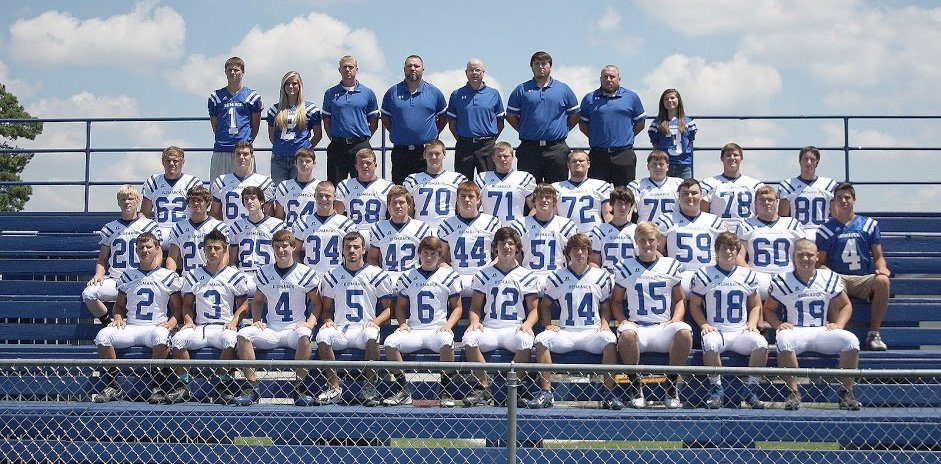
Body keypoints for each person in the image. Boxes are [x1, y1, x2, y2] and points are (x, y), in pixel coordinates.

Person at [763, 239, 862, 411]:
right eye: (800, 255)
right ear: (793, 257)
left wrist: (839, 324)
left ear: (817, 257)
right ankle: (793, 392)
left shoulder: (827, 277)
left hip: (822, 330)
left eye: (809, 255)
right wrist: (778, 324)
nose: (805, 258)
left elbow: (846, 305)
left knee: (851, 340)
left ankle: (846, 392)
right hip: (797, 331)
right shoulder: (782, 280)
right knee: (783, 339)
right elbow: (768, 309)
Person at [528, 234, 622, 410]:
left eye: (584, 249)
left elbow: (606, 307)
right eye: (575, 249)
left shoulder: (600, 276)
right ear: (568, 253)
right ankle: (546, 392)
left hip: (591, 331)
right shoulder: (558, 276)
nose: (579, 253)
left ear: (589, 253)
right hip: (567, 331)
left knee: (610, 340)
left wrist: (604, 324)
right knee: (541, 340)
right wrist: (548, 323)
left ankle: (609, 393)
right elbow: (545, 305)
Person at [233, 229, 321, 406]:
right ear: (273, 249)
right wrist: (257, 320)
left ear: (294, 247)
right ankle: (253, 387)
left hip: (294, 329)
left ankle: (299, 387)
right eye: (277, 247)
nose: (281, 250)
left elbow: (317, 303)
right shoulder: (265, 273)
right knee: (243, 335)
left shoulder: (305, 273)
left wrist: (310, 322)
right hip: (272, 329)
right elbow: (257, 301)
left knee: (305, 336)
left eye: (285, 246)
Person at [93, 232, 181, 403]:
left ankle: (158, 385)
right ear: (136, 250)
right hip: (131, 326)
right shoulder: (127, 275)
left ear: (157, 249)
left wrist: (170, 323)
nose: (145, 250)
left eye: (149, 247)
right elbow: (119, 306)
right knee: (102, 336)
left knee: (161, 336)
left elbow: (177, 309)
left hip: (154, 326)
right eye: (141, 247)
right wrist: (117, 317)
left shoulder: (168, 276)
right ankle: (113, 385)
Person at [610, 222, 691, 408]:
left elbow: (679, 300)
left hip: (663, 327)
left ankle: (671, 383)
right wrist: (623, 320)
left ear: (659, 241)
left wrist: (675, 320)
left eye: (651, 240)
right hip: (638, 327)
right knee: (627, 333)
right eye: (643, 240)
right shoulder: (626, 266)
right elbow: (615, 301)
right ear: (636, 242)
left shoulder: (670, 265)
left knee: (685, 331)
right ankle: (635, 384)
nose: (647, 244)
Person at [167, 229, 251, 404]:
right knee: (178, 340)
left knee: (230, 340)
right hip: (200, 326)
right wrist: (188, 321)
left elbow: (244, 305)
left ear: (225, 250)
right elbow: (187, 304)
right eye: (209, 248)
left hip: (223, 325)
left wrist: (234, 321)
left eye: (217, 248)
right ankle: (184, 385)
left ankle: (223, 384)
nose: (212, 252)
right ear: (203, 250)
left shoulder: (234, 275)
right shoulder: (194, 275)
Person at [688, 232, 768, 409]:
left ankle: (752, 389)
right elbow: (694, 305)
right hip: (717, 330)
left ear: (738, 251)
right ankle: (716, 388)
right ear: (717, 250)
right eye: (724, 247)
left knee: (761, 344)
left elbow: (755, 305)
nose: (728, 251)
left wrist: (752, 324)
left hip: (740, 331)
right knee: (709, 343)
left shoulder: (746, 275)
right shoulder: (704, 274)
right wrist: (704, 324)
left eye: (732, 248)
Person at [381, 236, 463, 407]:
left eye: (433, 254)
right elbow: (401, 307)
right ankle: (403, 389)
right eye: (425, 253)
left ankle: (445, 390)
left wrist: (448, 326)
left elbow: (458, 307)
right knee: (390, 343)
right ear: (419, 254)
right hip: (415, 329)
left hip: (437, 330)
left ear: (439, 255)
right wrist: (403, 324)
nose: (429, 257)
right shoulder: (408, 276)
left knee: (447, 342)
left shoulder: (449, 276)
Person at [317, 232, 396, 405]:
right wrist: (328, 320)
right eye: (348, 247)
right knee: (322, 337)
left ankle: (369, 386)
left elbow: (389, 309)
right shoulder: (332, 275)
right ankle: (334, 387)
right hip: (341, 329)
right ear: (342, 251)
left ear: (364, 250)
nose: (352, 250)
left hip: (363, 327)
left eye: (356, 247)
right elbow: (326, 310)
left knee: (372, 334)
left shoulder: (376, 274)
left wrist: (375, 322)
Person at [463, 227, 539, 406]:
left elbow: (534, 310)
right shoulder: (484, 274)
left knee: (526, 341)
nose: (506, 247)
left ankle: (515, 389)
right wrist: (475, 321)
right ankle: (484, 389)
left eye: (511, 243)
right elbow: (475, 307)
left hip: (514, 328)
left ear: (517, 248)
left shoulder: (526, 275)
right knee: (469, 339)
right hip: (490, 328)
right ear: (495, 247)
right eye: (502, 243)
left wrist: (528, 324)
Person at [816, 182, 891, 351]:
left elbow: (879, 256)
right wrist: (829, 274)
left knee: (883, 282)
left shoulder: (868, 224)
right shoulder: (826, 230)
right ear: (834, 202)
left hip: (862, 278)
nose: (843, 201)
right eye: (839, 198)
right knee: (830, 284)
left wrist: (882, 268)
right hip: (839, 277)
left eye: (847, 197)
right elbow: (820, 262)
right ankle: (838, 337)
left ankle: (874, 333)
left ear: (854, 199)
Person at [83, 185, 160, 326]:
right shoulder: (110, 228)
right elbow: (102, 259)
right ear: (118, 202)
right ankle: (107, 322)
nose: (127, 202)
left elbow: (157, 254)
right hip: (116, 279)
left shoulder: (149, 225)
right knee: (88, 293)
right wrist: (98, 275)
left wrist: (153, 273)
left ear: (137, 201)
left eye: (131, 198)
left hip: (140, 278)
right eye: (123, 199)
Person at [505, 51, 579, 184]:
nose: (540, 66)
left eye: (544, 63)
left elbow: (575, 115)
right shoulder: (521, 90)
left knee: (558, 191)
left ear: (550, 66)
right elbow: (510, 116)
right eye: (536, 64)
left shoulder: (563, 89)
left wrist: (563, 129)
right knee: (528, 191)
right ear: (531, 67)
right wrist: (524, 129)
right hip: (529, 149)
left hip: (557, 149)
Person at [381, 55, 447, 184]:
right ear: (404, 69)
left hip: (425, 152)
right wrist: (398, 131)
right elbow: (385, 117)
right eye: (409, 66)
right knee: (400, 192)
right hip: (400, 152)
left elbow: (443, 117)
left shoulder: (434, 92)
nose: (413, 69)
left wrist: (432, 134)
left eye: (416, 66)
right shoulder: (392, 92)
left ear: (423, 69)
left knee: (425, 190)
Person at [578, 65, 646, 186]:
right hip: (598, 155)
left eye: (612, 76)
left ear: (619, 78)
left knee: (625, 196)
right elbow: (583, 125)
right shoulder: (589, 99)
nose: (609, 79)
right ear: (600, 79)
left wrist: (625, 136)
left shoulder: (632, 97)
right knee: (597, 194)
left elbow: (640, 123)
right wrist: (597, 137)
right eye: (605, 77)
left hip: (624, 154)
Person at [655, 178, 725, 293]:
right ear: (679, 196)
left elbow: (724, 250)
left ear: (701, 196)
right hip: (678, 276)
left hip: (709, 276)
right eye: (685, 193)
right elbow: (657, 250)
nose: (690, 196)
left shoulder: (714, 221)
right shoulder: (667, 219)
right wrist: (668, 269)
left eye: (694, 193)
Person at [737, 184, 807, 299]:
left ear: (777, 202)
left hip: (788, 274)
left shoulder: (792, 223)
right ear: (755, 203)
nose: (766, 203)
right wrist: (750, 275)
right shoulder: (746, 224)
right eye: (762, 200)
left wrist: (798, 275)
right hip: (758, 274)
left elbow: (803, 252)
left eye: (770, 200)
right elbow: (739, 257)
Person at [322, 55, 380, 187]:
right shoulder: (330, 93)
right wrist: (334, 137)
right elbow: (326, 120)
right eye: (344, 67)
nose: (348, 69)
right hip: (338, 146)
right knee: (335, 187)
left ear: (356, 69)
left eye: (351, 67)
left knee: (363, 185)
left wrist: (363, 138)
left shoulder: (368, 93)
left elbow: (374, 122)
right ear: (339, 70)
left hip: (360, 146)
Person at [437, 181, 501, 295]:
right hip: (457, 278)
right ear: (456, 199)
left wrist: (491, 268)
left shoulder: (492, 223)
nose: (467, 200)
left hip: (485, 278)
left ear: (478, 200)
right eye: (463, 196)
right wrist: (445, 266)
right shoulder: (447, 225)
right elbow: (441, 256)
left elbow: (500, 255)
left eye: (471, 196)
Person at [509, 184, 578, 289]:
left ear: (554, 202)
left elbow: (571, 257)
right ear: (534, 202)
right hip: (528, 279)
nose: (544, 200)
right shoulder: (521, 225)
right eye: (540, 197)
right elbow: (516, 257)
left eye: (548, 197)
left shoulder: (566, 225)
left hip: (558, 278)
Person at [447, 58, 504, 179]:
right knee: (462, 183)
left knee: (488, 182)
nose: (474, 73)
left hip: (487, 146)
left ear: (483, 72)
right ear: (466, 73)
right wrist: (461, 139)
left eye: (477, 70)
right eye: (471, 70)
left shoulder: (494, 94)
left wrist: (491, 140)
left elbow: (501, 122)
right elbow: (451, 123)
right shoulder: (456, 94)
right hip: (464, 146)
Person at [208, 56, 263, 182]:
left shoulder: (252, 96)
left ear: (242, 72)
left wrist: (246, 141)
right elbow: (215, 125)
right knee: (219, 188)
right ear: (225, 72)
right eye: (230, 70)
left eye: (236, 70)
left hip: (243, 149)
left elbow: (255, 124)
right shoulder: (216, 97)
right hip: (222, 148)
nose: (233, 72)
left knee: (248, 189)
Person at [266, 71, 322, 185]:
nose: (290, 86)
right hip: (279, 158)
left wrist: (307, 149)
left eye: (294, 83)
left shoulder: (310, 109)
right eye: (287, 84)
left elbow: (318, 135)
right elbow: (272, 136)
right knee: (280, 193)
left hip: (300, 159)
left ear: (300, 86)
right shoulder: (274, 109)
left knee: (298, 193)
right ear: (283, 87)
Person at [367, 186, 433, 283]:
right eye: (394, 203)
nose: (398, 206)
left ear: (409, 205)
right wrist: (378, 274)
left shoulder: (421, 228)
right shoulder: (379, 228)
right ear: (388, 206)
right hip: (387, 276)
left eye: (401, 202)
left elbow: (429, 256)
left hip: (413, 277)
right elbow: (372, 258)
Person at [140, 146, 202, 245]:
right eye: (168, 161)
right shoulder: (153, 182)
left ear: (182, 162)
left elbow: (199, 212)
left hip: (185, 231)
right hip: (158, 231)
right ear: (163, 162)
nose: (171, 164)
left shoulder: (191, 182)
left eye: (175, 161)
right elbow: (144, 213)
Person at [227, 186, 287, 288]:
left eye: (253, 198)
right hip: (244, 273)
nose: (249, 201)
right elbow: (232, 260)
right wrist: (234, 270)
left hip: (269, 272)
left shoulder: (277, 225)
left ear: (262, 201)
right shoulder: (237, 226)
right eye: (246, 199)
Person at [292, 181, 356, 276]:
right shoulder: (302, 223)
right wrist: (302, 273)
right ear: (314, 196)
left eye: (328, 196)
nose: (323, 199)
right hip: (310, 276)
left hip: (336, 276)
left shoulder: (346, 224)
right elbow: (294, 252)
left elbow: (353, 254)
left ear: (335, 196)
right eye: (320, 195)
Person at [402, 140, 467, 230]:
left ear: (444, 154)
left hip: (449, 230)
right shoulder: (413, 180)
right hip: (421, 230)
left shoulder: (457, 179)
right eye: (430, 154)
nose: (433, 157)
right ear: (424, 155)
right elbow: (409, 211)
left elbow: (462, 208)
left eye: (437, 153)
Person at [777, 146, 839, 240]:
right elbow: (783, 218)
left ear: (817, 163)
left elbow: (836, 217)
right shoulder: (788, 185)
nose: (808, 163)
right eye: (805, 159)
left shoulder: (829, 185)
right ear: (800, 161)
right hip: (798, 232)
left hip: (823, 232)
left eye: (812, 160)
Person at [209, 141, 275, 227]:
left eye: (245, 154)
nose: (241, 157)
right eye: (238, 154)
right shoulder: (221, 181)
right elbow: (214, 212)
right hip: (229, 233)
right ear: (233, 156)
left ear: (252, 157)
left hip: (253, 232)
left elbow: (269, 214)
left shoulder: (263, 182)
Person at [335, 148, 394, 244]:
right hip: (353, 232)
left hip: (379, 232)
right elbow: (337, 215)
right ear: (356, 166)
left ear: (375, 165)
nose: (365, 166)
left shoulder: (387, 186)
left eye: (368, 163)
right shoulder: (345, 185)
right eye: (361, 163)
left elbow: (394, 215)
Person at [166, 186, 230, 273]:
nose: (196, 204)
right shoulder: (179, 227)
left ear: (207, 202)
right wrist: (171, 274)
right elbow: (172, 257)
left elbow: (225, 256)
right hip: (188, 278)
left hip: (211, 277)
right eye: (193, 201)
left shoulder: (218, 226)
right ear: (188, 204)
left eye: (199, 200)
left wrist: (218, 275)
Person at [701, 142, 762, 232]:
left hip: (746, 230)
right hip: (719, 230)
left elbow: (761, 212)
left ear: (741, 158)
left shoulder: (754, 185)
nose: (732, 158)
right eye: (728, 155)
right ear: (722, 159)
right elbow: (703, 214)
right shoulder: (709, 184)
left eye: (735, 155)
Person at [475, 141, 536, 227]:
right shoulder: (483, 178)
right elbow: (474, 208)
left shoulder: (524, 178)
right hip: (489, 229)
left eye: (506, 156)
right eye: (499, 156)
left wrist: (525, 226)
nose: (502, 159)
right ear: (493, 158)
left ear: (512, 157)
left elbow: (535, 208)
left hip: (515, 229)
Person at [552, 149, 613, 234]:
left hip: (593, 235)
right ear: (568, 165)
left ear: (588, 164)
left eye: (581, 161)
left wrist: (612, 232)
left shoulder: (601, 186)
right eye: (574, 161)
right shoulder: (556, 188)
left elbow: (607, 214)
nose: (578, 163)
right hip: (566, 235)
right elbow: (552, 217)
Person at [648, 89, 697, 179]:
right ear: (662, 102)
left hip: (684, 164)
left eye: (672, 98)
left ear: (678, 100)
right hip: (664, 165)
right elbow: (655, 145)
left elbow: (690, 143)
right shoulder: (657, 123)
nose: (669, 101)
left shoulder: (689, 123)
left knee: (685, 190)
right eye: (666, 99)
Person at [588, 186, 637, 273]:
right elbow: (593, 262)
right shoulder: (599, 230)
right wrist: (602, 275)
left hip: (630, 279)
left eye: (626, 204)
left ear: (631, 206)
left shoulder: (636, 230)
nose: (623, 207)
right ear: (612, 204)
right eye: (619, 203)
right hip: (607, 278)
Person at [628, 150, 683, 223]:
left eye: (661, 164)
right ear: (648, 166)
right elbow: (627, 212)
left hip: (672, 231)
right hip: (645, 231)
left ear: (667, 167)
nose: (657, 167)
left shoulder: (678, 184)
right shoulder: (637, 185)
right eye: (654, 164)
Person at [273, 147, 318, 228]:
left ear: (314, 163)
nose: (304, 164)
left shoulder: (319, 187)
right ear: (295, 163)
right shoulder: (284, 186)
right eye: (300, 161)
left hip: (311, 231)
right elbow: (279, 217)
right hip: (290, 232)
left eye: (308, 161)